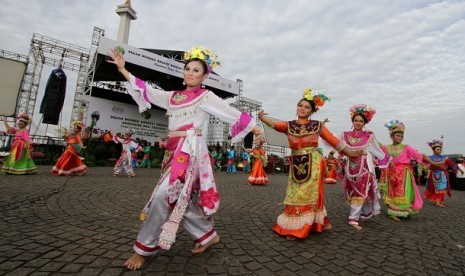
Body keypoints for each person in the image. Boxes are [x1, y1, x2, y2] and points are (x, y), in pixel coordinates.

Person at [107, 45, 262, 270]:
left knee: (162, 195)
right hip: (172, 152)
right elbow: (147, 90)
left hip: (189, 152)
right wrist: (123, 69)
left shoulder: (205, 96)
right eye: (187, 68)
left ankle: (143, 248)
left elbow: (232, 114)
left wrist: (256, 130)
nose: (189, 73)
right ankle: (207, 235)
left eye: (196, 70)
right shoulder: (173, 97)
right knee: (180, 197)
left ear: (204, 76)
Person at [259, 88, 362, 240]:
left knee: (309, 193)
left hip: (313, 162)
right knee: (295, 193)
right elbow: (274, 123)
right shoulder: (288, 125)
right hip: (296, 162)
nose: (302, 108)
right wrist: (262, 117)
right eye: (300, 105)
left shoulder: (318, 125)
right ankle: (303, 223)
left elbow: (333, 140)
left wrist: (351, 153)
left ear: (312, 111)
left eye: (307, 107)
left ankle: (302, 227)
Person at [379, 120, 442, 221]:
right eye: (398, 135)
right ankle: (392, 211)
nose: (400, 137)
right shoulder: (385, 148)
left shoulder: (406, 147)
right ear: (392, 136)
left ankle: (402, 211)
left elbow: (418, 156)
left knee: (402, 193)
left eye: (401, 136)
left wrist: (433, 163)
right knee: (392, 192)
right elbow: (379, 154)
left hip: (403, 174)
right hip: (391, 173)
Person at [341, 104, 390, 230]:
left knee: (361, 190)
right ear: (352, 121)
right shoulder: (345, 135)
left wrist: (387, 160)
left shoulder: (369, 136)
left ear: (365, 123)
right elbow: (339, 148)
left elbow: (377, 150)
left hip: (364, 167)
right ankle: (364, 212)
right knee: (352, 190)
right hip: (350, 167)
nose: (358, 123)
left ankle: (353, 218)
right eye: (356, 120)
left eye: (361, 121)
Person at [424, 139, 463, 207]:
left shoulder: (444, 158)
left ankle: (438, 201)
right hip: (433, 175)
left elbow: (452, 164)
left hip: (443, 175)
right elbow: (422, 160)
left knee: (442, 187)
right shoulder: (430, 158)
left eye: (440, 149)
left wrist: (460, 170)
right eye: (438, 149)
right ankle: (437, 200)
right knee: (435, 188)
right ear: (433, 150)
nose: (439, 151)